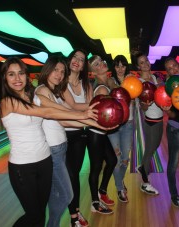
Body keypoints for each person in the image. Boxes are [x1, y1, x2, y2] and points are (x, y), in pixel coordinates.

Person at [0, 57, 97, 227]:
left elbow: (60, 111)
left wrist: (94, 122)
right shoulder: (8, 102)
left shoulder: (34, 96)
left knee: (41, 212)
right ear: (5, 79)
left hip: (45, 161)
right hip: (22, 167)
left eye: (21, 73)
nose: (17, 79)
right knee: (34, 215)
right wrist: (82, 115)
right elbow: (49, 112)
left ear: (26, 76)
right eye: (11, 74)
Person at [63, 49, 93, 226]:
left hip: (79, 135)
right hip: (60, 135)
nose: (77, 61)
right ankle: (73, 216)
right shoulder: (60, 80)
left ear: (83, 66)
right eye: (75, 57)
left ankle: (75, 213)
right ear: (70, 59)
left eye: (81, 60)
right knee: (68, 176)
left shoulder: (86, 85)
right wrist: (88, 107)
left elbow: (89, 108)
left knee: (73, 175)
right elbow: (72, 105)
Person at [87, 55, 118, 214]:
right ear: (92, 72)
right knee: (96, 167)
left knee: (112, 161)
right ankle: (94, 202)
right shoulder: (101, 88)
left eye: (101, 62)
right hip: (94, 133)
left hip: (101, 133)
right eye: (96, 64)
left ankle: (102, 191)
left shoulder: (108, 83)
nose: (101, 65)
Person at [133, 52, 163, 195]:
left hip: (160, 117)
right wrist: (146, 104)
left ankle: (142, 167)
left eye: (146, 61)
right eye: (141, 62)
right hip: (150, 119)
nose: (145, 64)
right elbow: (142, 106)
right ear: (138, 66)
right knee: (150, 149)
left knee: (155, 146)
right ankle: (145, 182)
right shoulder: (138, 82)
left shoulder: (156, 78)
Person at [162, 57, 179, 208]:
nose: (173, 69)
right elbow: (173, 114)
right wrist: (167, 111)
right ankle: (174, 194)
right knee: (173, 163)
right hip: (175, 128)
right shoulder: (167, 88)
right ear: (167, 72)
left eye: (174, 66)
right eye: (169, 69)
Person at [107, 55, 135, 203]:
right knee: (117, 159)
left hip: (128, 124)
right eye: (117, 66)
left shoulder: (132, 80)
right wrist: (127, 82)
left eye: (123, 65)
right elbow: (115, 89)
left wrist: (132, 82)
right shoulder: (111, 80)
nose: (120, 68)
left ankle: (120, 181)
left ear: (126, 66)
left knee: (125, 159)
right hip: (114, 126)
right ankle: (119, 188)